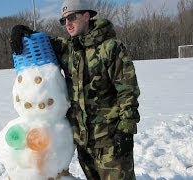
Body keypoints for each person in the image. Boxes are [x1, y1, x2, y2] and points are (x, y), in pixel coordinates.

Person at [9, 0, 140, 179]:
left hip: (110, 140)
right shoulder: (68, 49)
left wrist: (126, 130)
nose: (67, 24)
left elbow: (128, 91)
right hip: (83, 141)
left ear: (86, 16)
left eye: (71, 17)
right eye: (63, 20)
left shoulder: (110, 48)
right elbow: (40, 42)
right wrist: (21, 31)